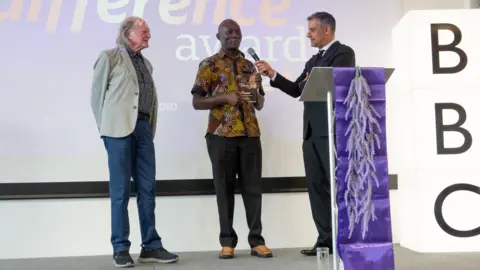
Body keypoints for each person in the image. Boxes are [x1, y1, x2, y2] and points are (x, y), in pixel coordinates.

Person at [255, 11, 356, 256]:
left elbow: (333, 82)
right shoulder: (312, 62)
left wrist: (311, 78)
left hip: (332, 129)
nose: (307, 34)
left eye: (312, 30)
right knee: (316, 186)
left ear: (327, 30)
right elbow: (296, 89)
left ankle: (347, 237)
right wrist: (272, 74)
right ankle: (325, 240)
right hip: (310, 132)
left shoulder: (343, 53)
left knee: (337, 186)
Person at [90, 16, 178, 267]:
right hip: (117, 132)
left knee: (147, 189)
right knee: (120, 193)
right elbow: (96, 98)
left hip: (143, 129)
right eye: (144, 31)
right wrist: (105, 130)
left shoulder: (146, 64)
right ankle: (120, 248)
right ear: (128, 34)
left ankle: (151, 246)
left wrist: (147, 129)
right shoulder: (109, 57)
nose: (149, 35)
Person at [190, 19, 272, 259]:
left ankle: (256, 241)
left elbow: (260, 103)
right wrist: (224, 98)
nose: (233, 35)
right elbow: (197, 102)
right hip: (221, 136)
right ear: (219, 37)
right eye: (228, 32)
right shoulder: (209, 65)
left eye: (237, 32)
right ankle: (227, 242)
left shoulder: (250, 65)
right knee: (223, 189)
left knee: (253, 188)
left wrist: (256, 94)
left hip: (250, 134)